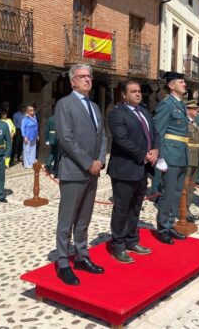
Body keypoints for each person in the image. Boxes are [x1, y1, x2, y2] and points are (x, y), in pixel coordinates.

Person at [54, 64, 107, 286]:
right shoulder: (64, 104)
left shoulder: (94, 106)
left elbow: (102, 135)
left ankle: (82, 256)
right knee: (67, 219)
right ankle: (63, 261)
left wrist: (101, 160)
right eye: (82, 76)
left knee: (84, 218)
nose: (87, 79)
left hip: (93, 171)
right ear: (72, 81)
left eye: (89, 76)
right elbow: (66, 139)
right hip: (74, 171)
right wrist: (88, 163)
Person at [107, 80, 159, 263]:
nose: (138, 94)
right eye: (133, 91)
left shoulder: (144, 112)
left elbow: (155, 134)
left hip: (142, 169)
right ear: (124, 94)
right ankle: (118, 245)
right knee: (122, 209)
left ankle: (131, 240)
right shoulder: (116, 114)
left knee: (135, 208)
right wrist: (144, 154)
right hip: (124, 169)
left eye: (139, 91)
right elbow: (122, 139)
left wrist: (155, 150)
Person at [153, 71, 189, 244]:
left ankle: (170, 224)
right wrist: (159, 156)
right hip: (170, 154)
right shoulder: (166, 105)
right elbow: (158, 131)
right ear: (171, 85)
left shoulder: (181, 104)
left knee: (176, 193)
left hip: (181, 153)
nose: (184, 84)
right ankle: (163, 228)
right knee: (168, 193)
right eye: (181, 82)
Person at [44, 108, 58, 176]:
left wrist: (47, 139)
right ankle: (55, 168)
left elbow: (47, 130)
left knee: (52, 152)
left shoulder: (50, 119)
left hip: (52, 137)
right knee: (57, 153)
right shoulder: (61, 119)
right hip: (58, 137)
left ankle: (48, 165)